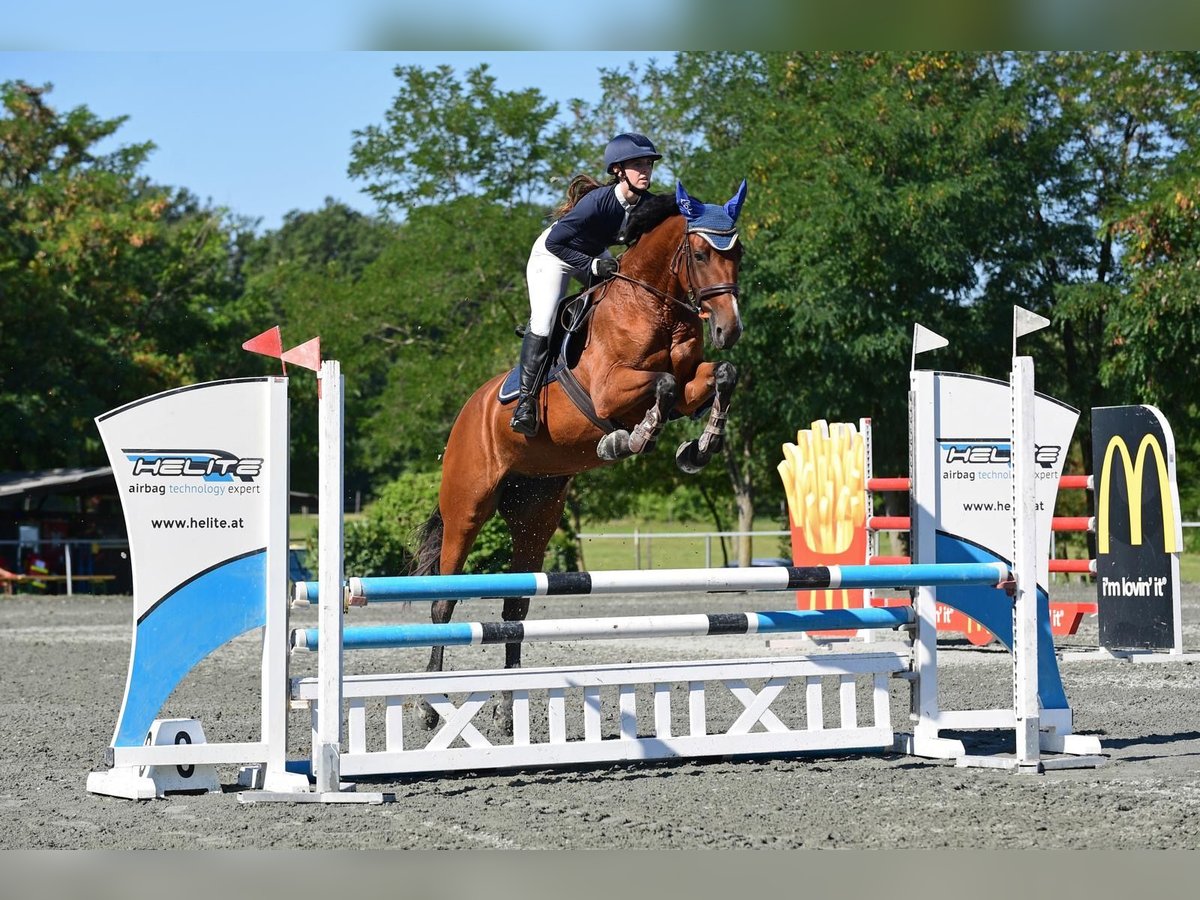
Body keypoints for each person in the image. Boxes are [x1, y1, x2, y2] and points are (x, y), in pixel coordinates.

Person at [509, 132, 662, 436]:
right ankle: (525, 404)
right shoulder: (597, 202)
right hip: (553, 255)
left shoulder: (647, 204)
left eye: (648, 164)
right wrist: (591, 265)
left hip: (592, 252)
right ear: (618, 170)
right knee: (544, 321)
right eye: (638, 165)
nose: (645, 170)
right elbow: (555, 243)